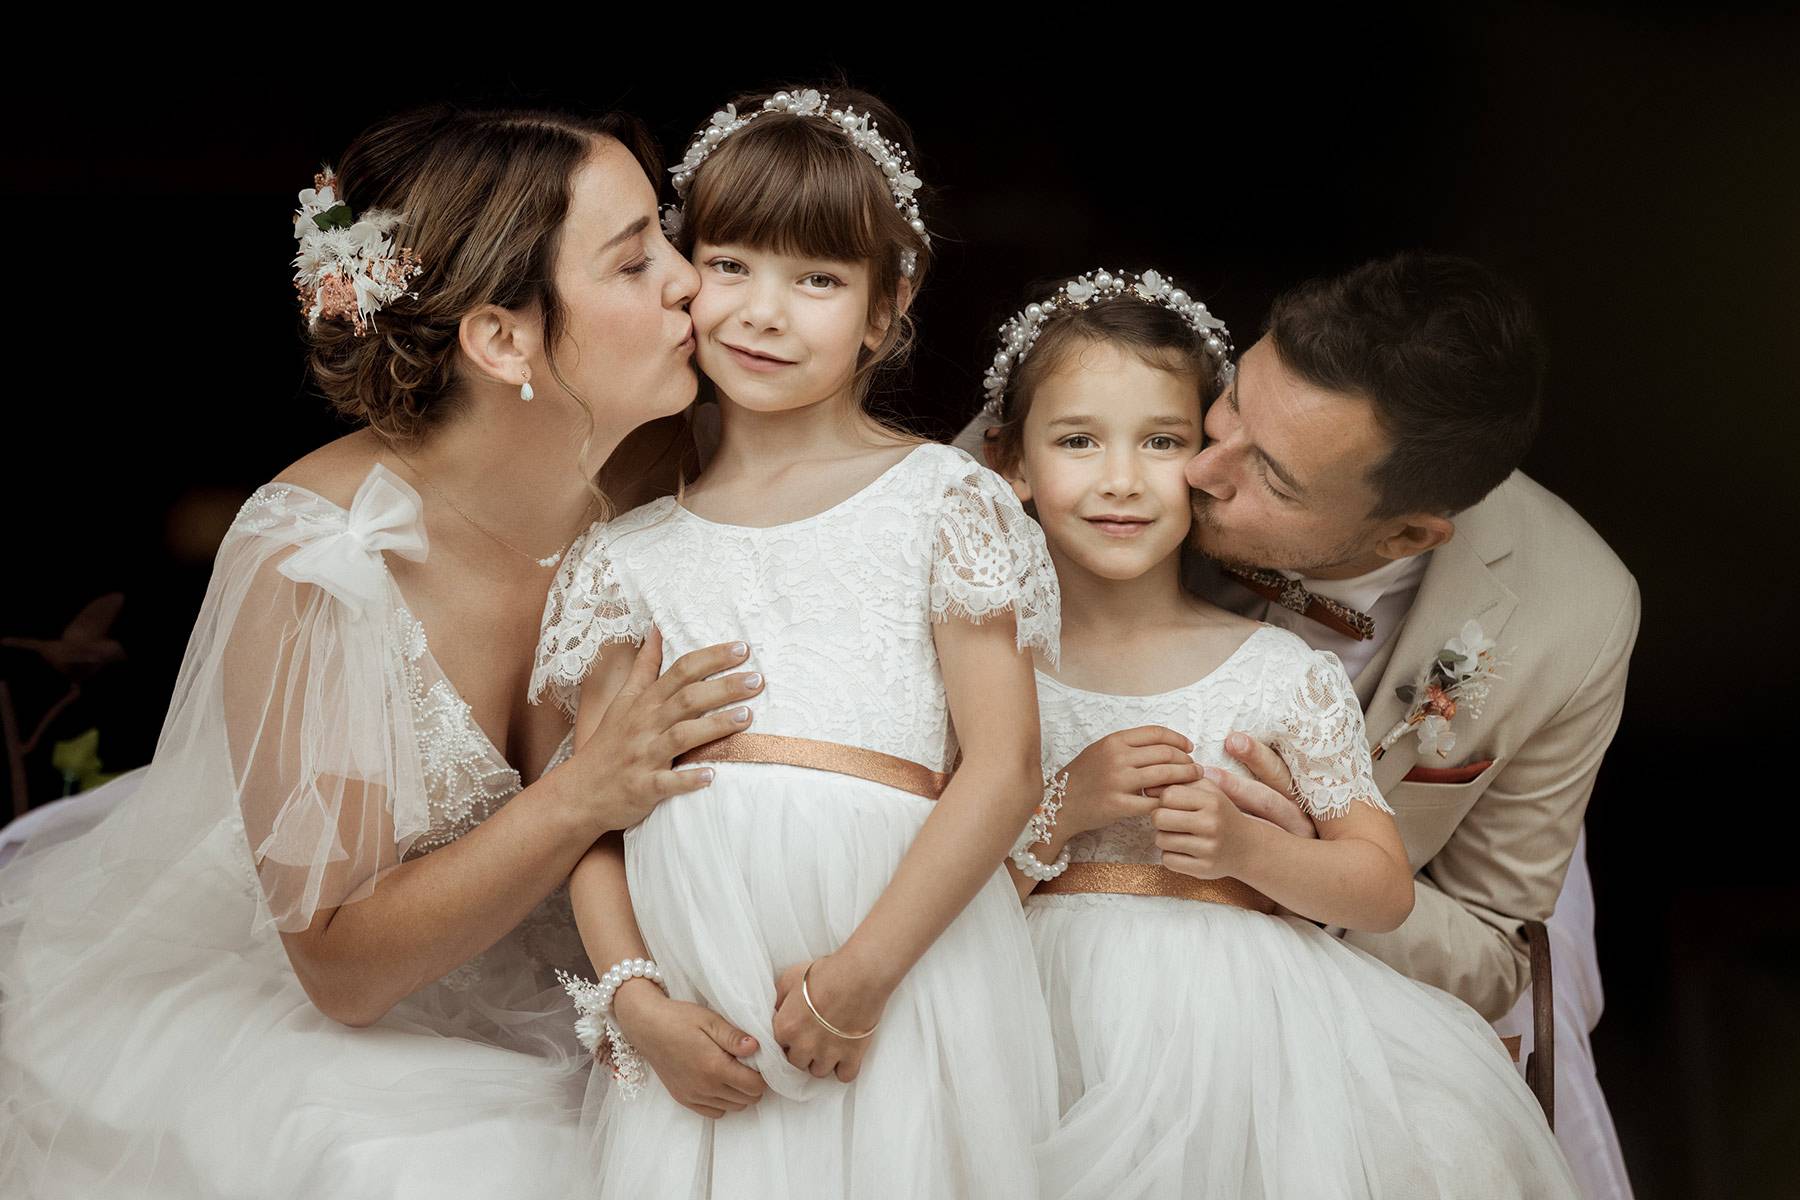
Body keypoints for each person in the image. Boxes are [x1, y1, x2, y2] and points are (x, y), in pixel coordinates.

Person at [0, 104, 759, 1199]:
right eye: (636, 260)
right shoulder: (322, 558)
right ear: (503, 340)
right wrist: (583, 792)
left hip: (619, 998)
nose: (691, 280)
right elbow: (342, 972)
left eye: (668, 239)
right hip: (363, 1032)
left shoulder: (693, 469)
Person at [530, 87, 1058, 1199]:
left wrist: (860, 978)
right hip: (699, 1015)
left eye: (816, 280)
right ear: (684, 279)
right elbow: (583, 812)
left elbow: (1006, 767)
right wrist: (637, 1003)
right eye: (731, 265)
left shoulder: (941, 501)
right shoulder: (625, 554)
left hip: (897, 988)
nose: (763, 313)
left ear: (885, 306)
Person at [982, 265, 1577, 1197]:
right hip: (1022, 1007)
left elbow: (1385, 886)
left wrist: (1258, 852)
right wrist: (1057, 812)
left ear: (1402, 537)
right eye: (1222, 421)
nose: (1160, 477)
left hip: (1249, 1038)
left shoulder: (1283, 673)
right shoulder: (981, 653)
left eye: (1165, 440)